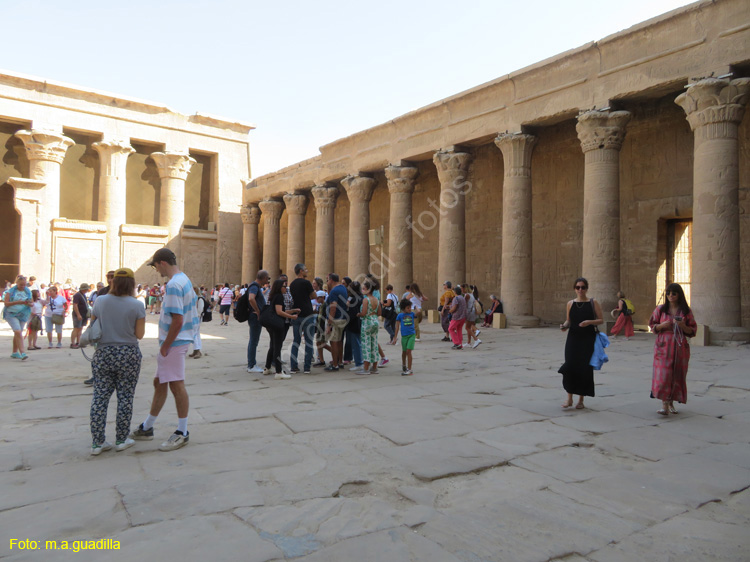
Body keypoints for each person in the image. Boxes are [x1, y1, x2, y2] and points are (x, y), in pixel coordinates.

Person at [130, 248, 198, 451]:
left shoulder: (174, 285)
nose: (155, 270)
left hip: (175, 342)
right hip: (178, 340)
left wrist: (166, 345)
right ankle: (148, 426)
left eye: (155, 266)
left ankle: (182, 432)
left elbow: (177, 319)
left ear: (162, 263)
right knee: (159, 382)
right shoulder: (183, 279)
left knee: (177, 386)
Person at [88, 267, 146, 455]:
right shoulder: (137, 305)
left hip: (104, 353)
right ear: (131, 284)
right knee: (125, 397)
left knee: (100, 397)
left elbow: (94, 325)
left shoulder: (101, 300)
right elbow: (140, 334)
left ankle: (98, 443)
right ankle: (121, 439)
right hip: (128, 354)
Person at [648, 283, 696, 415]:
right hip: (664, 345)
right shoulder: (661, 309)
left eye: (673, 293)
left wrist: (682, 325)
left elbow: (692, 330)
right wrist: (661, 325)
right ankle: (664, 404)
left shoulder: (686, 311)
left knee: (677, 374)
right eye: (668, 293)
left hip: (680, 346)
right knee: (664, 375)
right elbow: (652, 326)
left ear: (679, 295)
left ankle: (671, 402)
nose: (670, 296)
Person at [558, 277, 603, 410]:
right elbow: (568, 320)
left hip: (587, 339)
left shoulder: (592, 302)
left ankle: (581, 400)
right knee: (570, 366)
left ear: (586, 288)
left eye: (583, 287)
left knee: (584, 368)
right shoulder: (570, 303)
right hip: (573, 338)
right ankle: (569, 398)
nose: (580, 290)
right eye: (578, 287)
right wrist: (564, 326)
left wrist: (589, 322)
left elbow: (601, 320)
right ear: (574, 289)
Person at [261, 278, 297, 380]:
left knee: (272, 346)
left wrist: (293, 311)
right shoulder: (279, 297)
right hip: (277, 324)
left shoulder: (273, 296)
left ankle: (267, 368)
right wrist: (292, 317)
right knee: (277, 348)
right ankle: (278, 371)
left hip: (272, 323)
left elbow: (281, 310)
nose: (286, 288)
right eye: (284, 286)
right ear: (279, 287)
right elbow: (279, 312)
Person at [289, 264, 317, 375]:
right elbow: (314, 296)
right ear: (301, 271)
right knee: (309, 342)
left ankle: (293, 366)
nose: (307, 271)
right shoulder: (306, 283)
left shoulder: (292, 284)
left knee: (296, 341)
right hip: (307, 314)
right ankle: (306, 367)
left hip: (296, 314)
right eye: (305, 269)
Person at [3, 275, 32, 360]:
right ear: (17, 284)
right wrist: (18, 302)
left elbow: (32, 302)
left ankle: (14, 352)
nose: (23, 286)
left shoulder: (27, 292)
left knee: (18, 333)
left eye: (24, 285)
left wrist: (29, 303)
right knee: (18, 331)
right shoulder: (10, 292)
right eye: (21, 285)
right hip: (11, 314)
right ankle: (22, 352)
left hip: (23, 314)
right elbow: (6, 303)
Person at [246, 270, 270, 374]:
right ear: (264, 278)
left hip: (254, 316)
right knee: (254, 341)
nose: (268, 280)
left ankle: (251, 363)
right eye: (268, 278)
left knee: (253, 340)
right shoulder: (255, 286)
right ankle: (251, 365)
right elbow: (251, 298)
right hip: (255, 317)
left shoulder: (255, 286)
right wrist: (258, 310)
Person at [324, 273, 348, 371]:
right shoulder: (343, 288)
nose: (327, 282)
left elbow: (332, 308)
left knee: (333, 342)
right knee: (339, 341)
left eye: (327, 280)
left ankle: (335, 365)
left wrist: (329, 324)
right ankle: (340, 362)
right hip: (343, 319)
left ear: (331, 280)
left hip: (335, 319)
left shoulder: (334, 291)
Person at [356, 279, 380, 375]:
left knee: (366, 345)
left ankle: (366, 368)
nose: (362, 290)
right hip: (375, 321)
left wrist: (359, 314)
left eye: (364, 289)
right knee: (374, 344)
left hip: (367, 322)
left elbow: (364, 313)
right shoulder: (376, 299)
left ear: (368, 290)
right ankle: (374, 367)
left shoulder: (366, 300)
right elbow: (379, 313)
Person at [394, 298, 416, 376]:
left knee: (408, 351)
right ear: (403, 309)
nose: (410, 309)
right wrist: (395, 337)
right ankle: (404, 365)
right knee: (404, 352)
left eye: (410, 307)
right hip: (404, 336)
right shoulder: (400, 315)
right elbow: (397, 327)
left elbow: (418, 319)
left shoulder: (412, 314)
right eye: (408, 308)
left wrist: (419, 312)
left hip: (412, 335)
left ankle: (409, 369)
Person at [345, 281, 364, 371]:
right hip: (360, 323)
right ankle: (360, 361)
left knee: (356, 344)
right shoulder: (361, 297)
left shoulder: (353, 299)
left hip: (353, 324)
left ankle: (359, 363)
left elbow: (353, 313)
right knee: (358, 343)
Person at [70, 283, 90, 349]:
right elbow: (75, 305)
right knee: (76, 328)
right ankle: (73, 343)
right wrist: (78, 315)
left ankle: (78, 342)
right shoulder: (77, 295)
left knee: (80, 328)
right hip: (78, 314)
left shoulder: (82, 295)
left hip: (83, 314)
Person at [462, 283, 481, 349]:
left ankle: (476, 339)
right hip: (472, 311)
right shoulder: (471, 294)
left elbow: (464, 304)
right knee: (469, 327)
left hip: (469, 312)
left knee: (467, 327)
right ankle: (469, 342)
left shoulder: (467, 295)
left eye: (462, 288)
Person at [448, 285, 467, 349]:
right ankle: (460, 344)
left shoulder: (456, 298)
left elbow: (454, 307)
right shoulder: (462, 297)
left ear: (455, 292)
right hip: (463, 316)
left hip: (456, 317)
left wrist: (450, 311)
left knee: (450, 329)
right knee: (459, 330)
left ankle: (456, 343)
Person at [190, 286, 205, 359]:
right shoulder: (193, 298)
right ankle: (195, 350)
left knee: (194, 334)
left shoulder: (200, 298)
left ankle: (197, 350)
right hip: (193, 317)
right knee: (196, 334)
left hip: (196, 318)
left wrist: (196, 316)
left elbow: (200, 309)